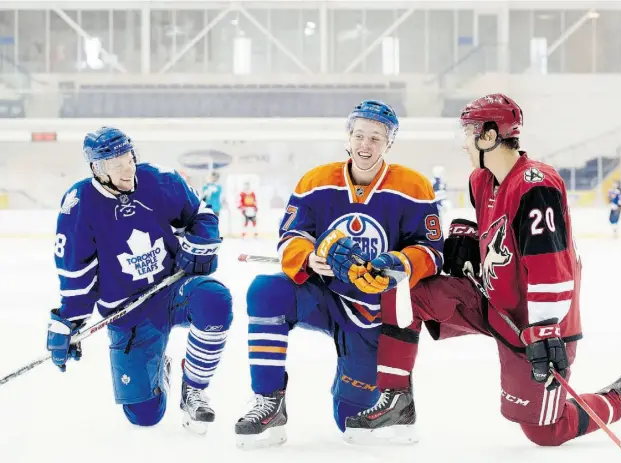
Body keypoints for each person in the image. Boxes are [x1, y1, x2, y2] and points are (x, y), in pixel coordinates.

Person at [345, 94, 621, 447]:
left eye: (469, 132)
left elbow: (551, 267)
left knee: (545, 431)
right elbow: (490, 229)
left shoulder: (535, 184)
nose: (464, 142)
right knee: (404, 290)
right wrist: (465, 240)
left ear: (489, 135)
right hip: (493, 302)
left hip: (536, 322)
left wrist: (545, 331)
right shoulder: (481, 179)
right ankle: (397, 401)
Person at [233, 100, 443, 449]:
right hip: (324, 295)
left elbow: (433, 251)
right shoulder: (316, 181)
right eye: (359, 135)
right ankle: (269, 401)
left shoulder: (413, 186)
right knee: (266, 291)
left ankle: (351, 378)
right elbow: (290, 237)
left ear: (389, 142)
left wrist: (398, 264)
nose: (365, 145)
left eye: (376, 138)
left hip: (372, 311)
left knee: (350, 418)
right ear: (348, 135)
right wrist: (309, 257)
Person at [47, 127, 233, 435]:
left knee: (214, 299)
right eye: (114, 164)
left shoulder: (158, 180)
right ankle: (160, 368)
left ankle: (194, 390)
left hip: (172, 289)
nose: (126, 169)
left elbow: (201, 216)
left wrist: (201, 242)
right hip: (128, 309)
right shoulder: (79, 203)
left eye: (128, 158)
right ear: (96, 169)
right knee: (144, 416)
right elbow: (76, 273)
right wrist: (68, 320)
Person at [432, 165, 451, 230]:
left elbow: (445, 192)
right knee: (438, 216)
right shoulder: (433, 182)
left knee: (443, 216)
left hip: (442, 201)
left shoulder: (443, 182)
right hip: (436, 202)